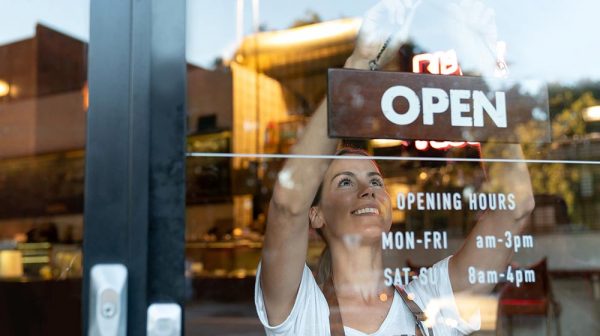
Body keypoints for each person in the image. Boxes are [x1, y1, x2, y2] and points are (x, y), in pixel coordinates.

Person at [255, 0, 534, 335]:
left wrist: (478, 66)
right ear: (316, 214)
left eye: (375, 180)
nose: (368, 189)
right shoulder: (301, 311)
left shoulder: (430, 301)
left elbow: (515, 207)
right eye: (345, 182)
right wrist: (357, 68)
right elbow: (287, 206)